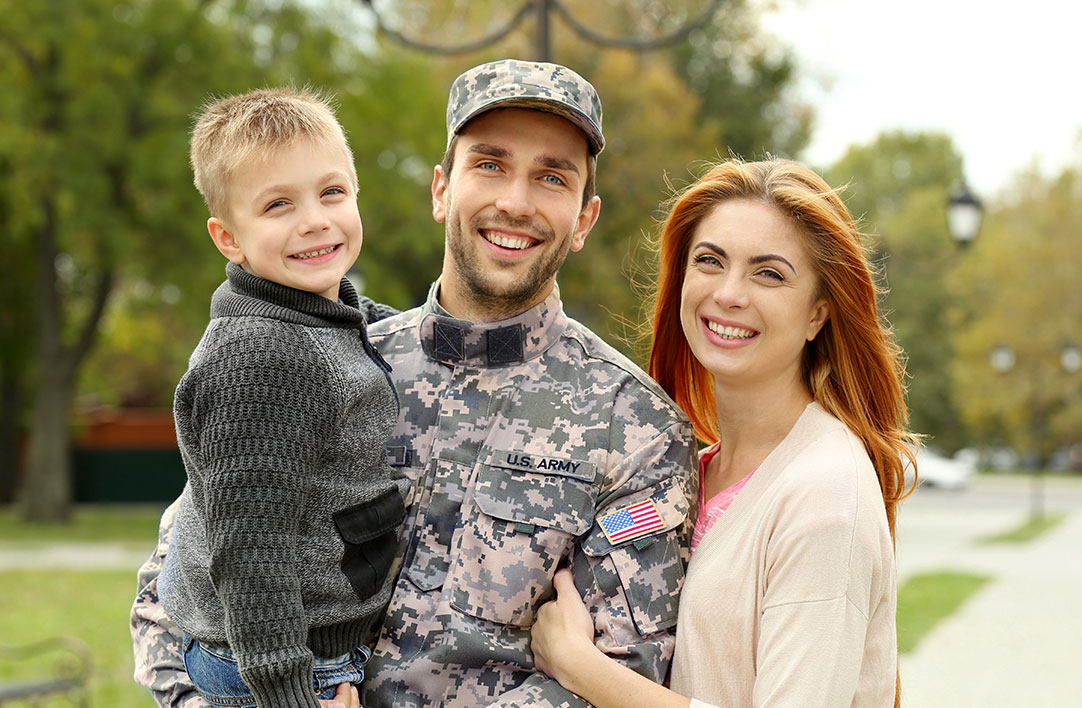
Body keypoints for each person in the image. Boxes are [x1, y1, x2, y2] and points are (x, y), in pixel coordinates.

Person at [131, 59, 697, 708]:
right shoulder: (318, 361)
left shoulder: (636, 429)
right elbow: (180, 587)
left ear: (585, 219)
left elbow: (618, 681)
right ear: (440, 191)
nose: (515, 200)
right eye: (488, 164)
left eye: (551, 176)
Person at [530, 157, 917, 707]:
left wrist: (579, 666)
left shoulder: (825, 492)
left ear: (818, 315)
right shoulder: (682, 469)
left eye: (769, 273)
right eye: (710, 261)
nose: (729, 293)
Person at [152, 87, 409, 708]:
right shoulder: (261, 358)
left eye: (332, 192)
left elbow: (360, 327)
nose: (315, 219)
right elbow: (249, 552)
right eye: (277, 205)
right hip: (277, 663)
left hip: (312, 638)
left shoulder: (314, 311)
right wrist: (290, 693)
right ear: (229, 239)